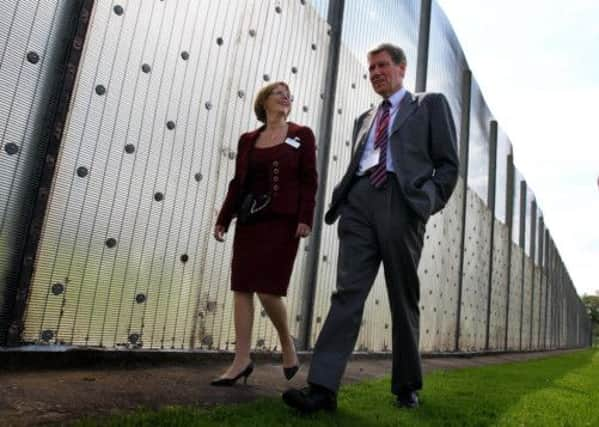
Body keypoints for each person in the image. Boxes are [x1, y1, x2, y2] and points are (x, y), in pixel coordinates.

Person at [282, 43, 459, 411]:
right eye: (371, 68)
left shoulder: (429, 104)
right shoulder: (364, 117)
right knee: (347, 293)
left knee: (402, 294)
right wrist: (347, 201)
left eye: (382, 65)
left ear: (401, 68)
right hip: (359, 202)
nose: (375, 72)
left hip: (402, 201)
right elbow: (358, 160)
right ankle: (322, 389)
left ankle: (406, 385)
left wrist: (425, 203)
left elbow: (448, 165)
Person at [211, 82, 318, 386]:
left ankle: (286, 343)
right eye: (278, 92)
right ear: (263, 102)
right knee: (242, 287)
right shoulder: (248, 139)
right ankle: (241, 359)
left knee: (268, 289)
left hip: (283, 222)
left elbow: (309, 181)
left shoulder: (302, 135)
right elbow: (238, 182)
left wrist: (305, 217)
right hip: (250, 220)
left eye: (289, 94)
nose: (286, 96)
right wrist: (224, 217)